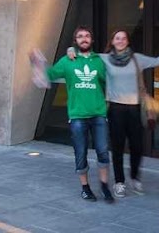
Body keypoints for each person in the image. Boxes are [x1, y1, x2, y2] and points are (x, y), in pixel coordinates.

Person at [68, 30, 159, 197]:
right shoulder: (105, 59)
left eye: (124, 38)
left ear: (127, 41)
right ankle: (119, 182)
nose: (121, 41)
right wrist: (70, 50)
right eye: (117, 38)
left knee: (137, 146)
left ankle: (135, 178)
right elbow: (83, 54)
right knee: (117, 147)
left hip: (135, 108)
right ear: (113, 42)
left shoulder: (137, 58)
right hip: (115, 109)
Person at [30, 26, 115, 203]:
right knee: (80, 152)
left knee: (103, 152)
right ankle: (85, 188)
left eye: (87, 36)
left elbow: (107, 83)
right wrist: (36, 62)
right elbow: (49, 74)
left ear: (91, 40)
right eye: (80, 36)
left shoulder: (99, 60)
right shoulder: (67, 61)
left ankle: (105, 187)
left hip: (99, 114)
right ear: (75, 41)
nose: (84, 39)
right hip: (77, 115)